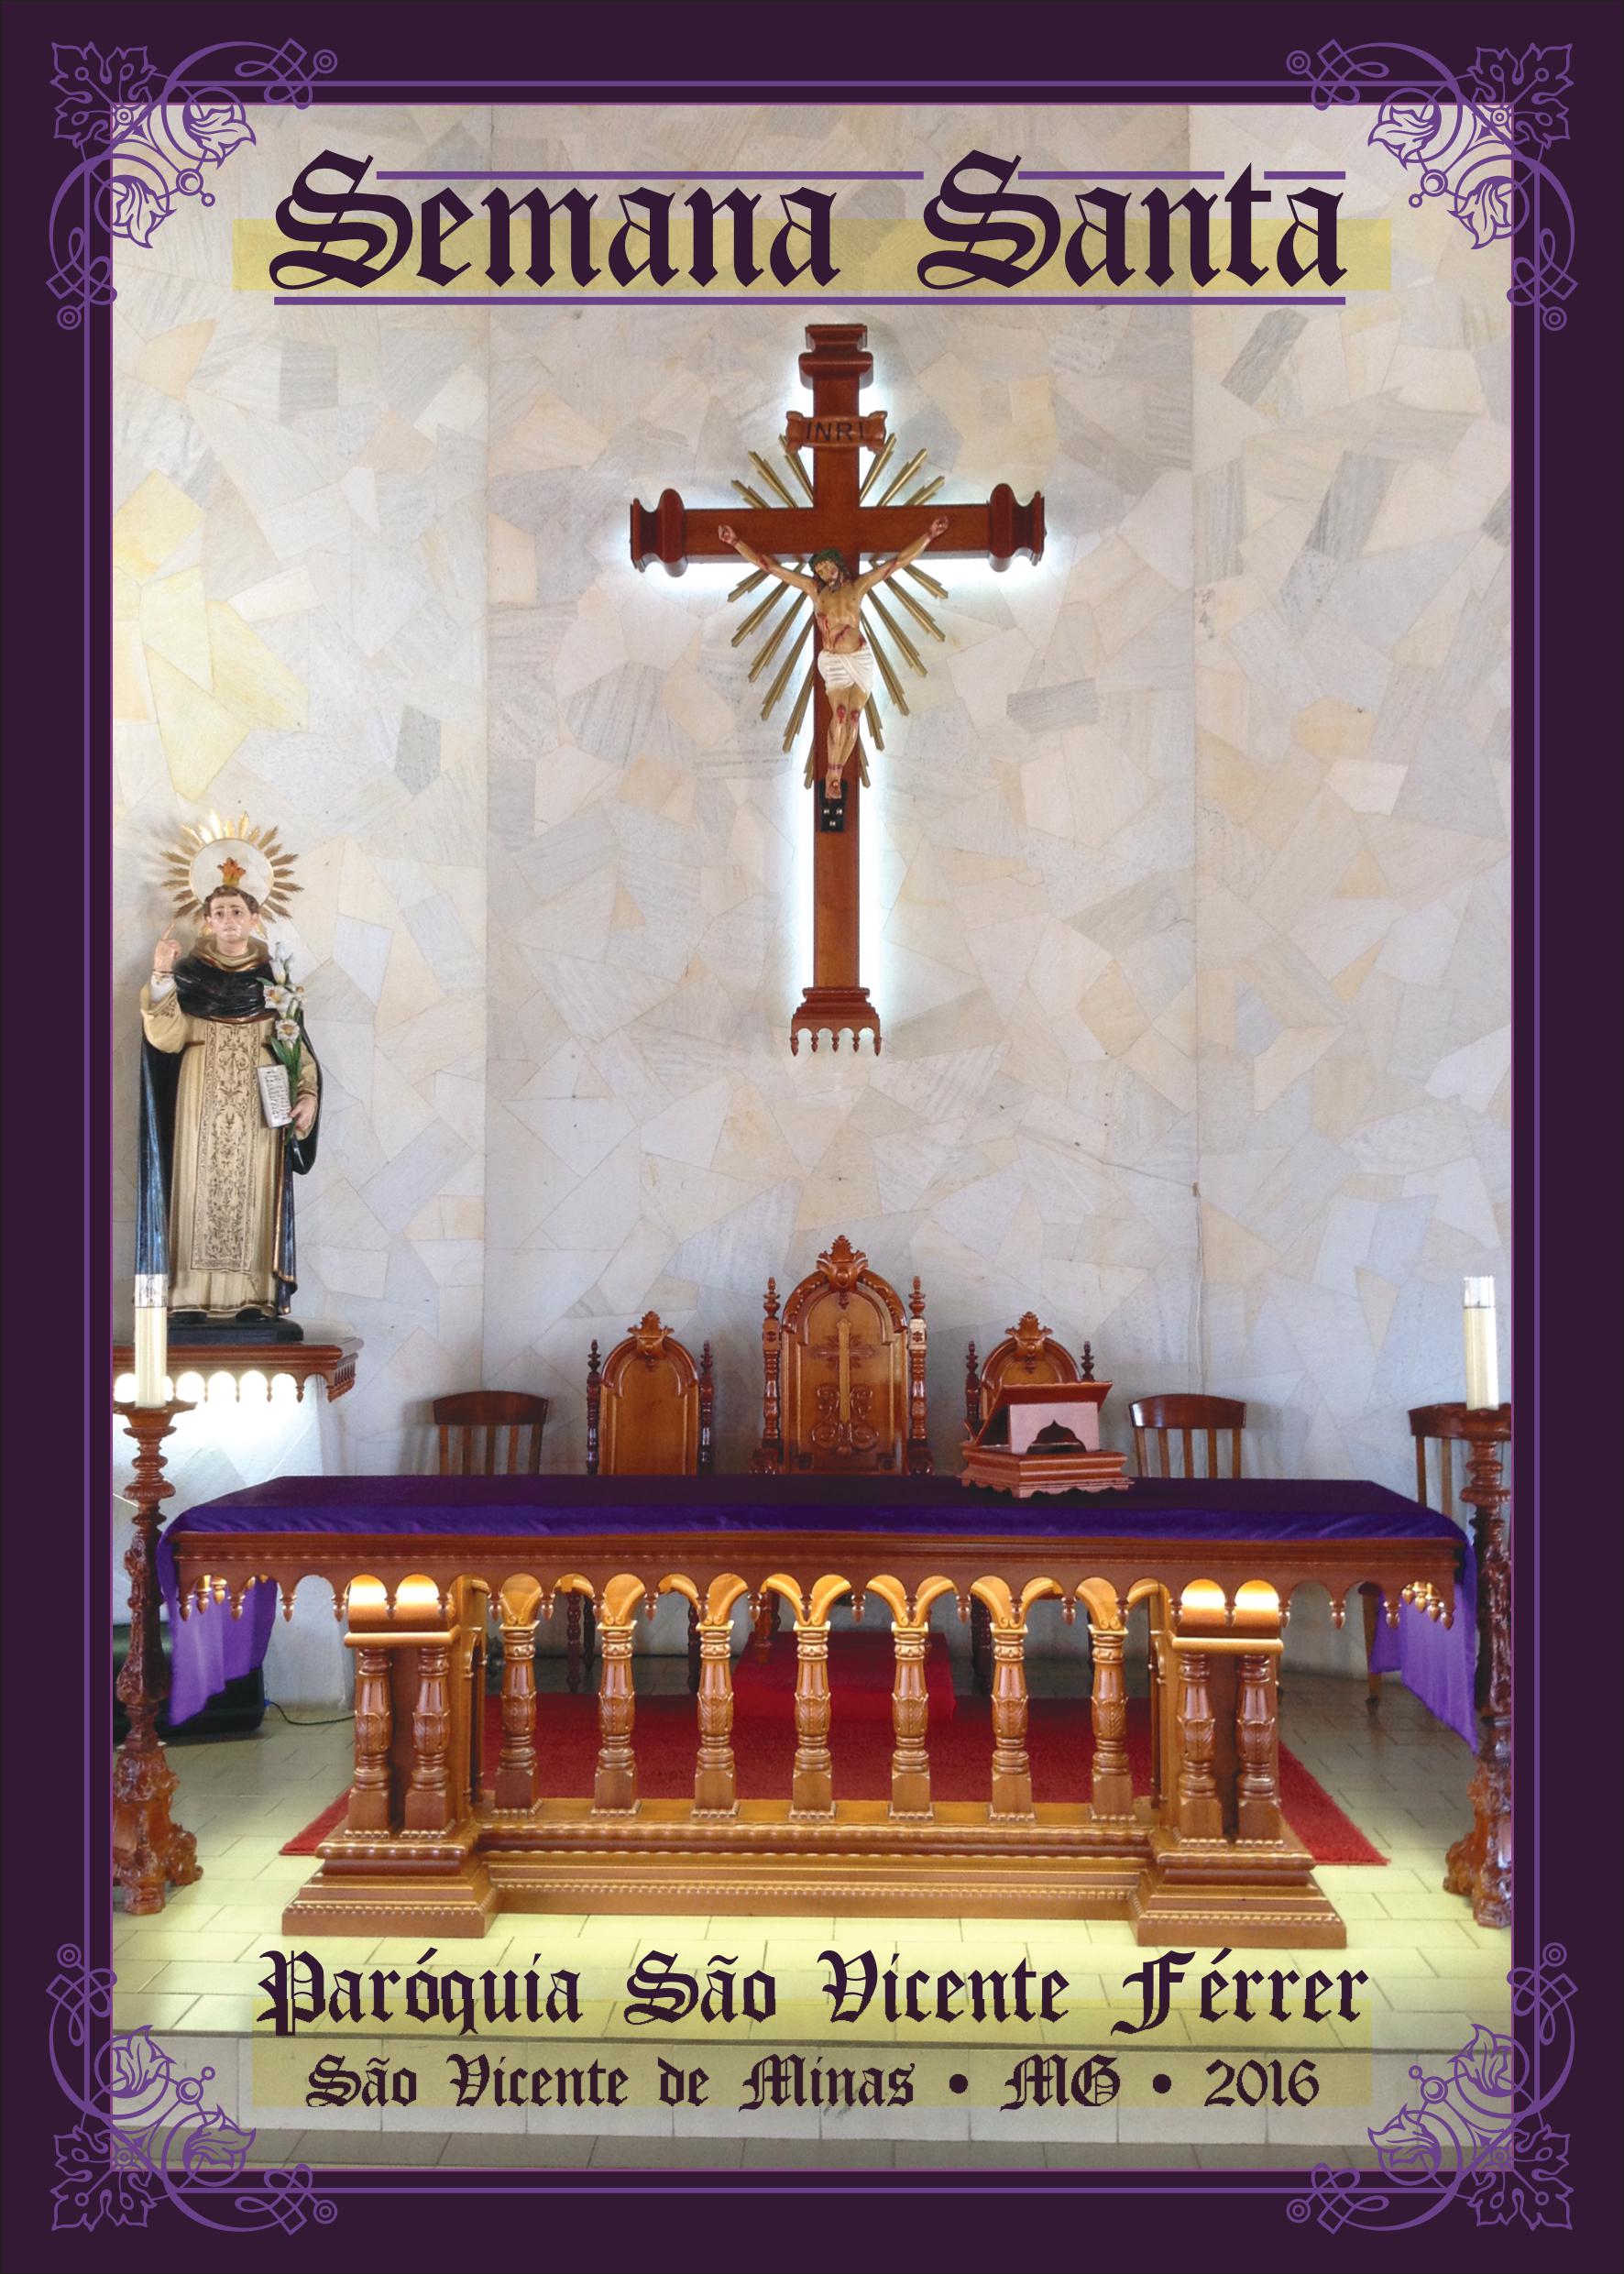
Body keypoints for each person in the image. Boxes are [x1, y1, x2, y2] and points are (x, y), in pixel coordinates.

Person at [138, 873, 320, 1324]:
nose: (229, 919)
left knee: (256, 1190)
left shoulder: (275, 979)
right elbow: (166, 1038)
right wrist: (161, 973)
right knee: (195, 1188)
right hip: (200, 1094)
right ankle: (188, 1297)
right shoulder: (188, 974)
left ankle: (254, 1298)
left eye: (238, 911)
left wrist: (307, 1093)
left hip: (260, 1099)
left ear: (255, 918)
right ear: (207, 921)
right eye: (219, 912)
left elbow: (293, 1043)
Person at [717, 514, 949, 800]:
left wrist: (929, 534)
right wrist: (736, 542)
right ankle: (832, 773)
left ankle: (838, 771)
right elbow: (772, 568)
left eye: (828, 566)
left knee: (854, 717)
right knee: (840, 714)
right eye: (820, 570)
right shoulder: (816, 592)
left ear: (838, 565)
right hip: (834, 661)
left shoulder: (857, 588)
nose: (825, 573)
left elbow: (897, 563)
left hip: (859, 658)